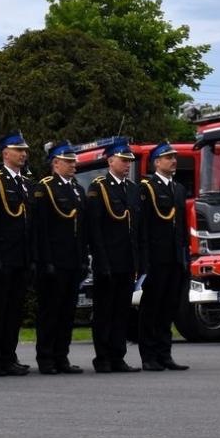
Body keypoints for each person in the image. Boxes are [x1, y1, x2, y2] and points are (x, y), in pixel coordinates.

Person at [0, 132, 35, 376]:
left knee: (13, 311)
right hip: (1, 258)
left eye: (25, 150)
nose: (23, 154)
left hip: (20, 257)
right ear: (5, 153)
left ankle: (8, 356)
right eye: (18, 150)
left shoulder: (25, 183)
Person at [32, 142, 86, 375]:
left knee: (67, 312)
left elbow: (82, 229)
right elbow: (41, 229)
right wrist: (46, 261)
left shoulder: (77, 190)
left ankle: (61, 356)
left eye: (74, 161)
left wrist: (83, 258)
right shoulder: (45, 189)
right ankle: (46, 358)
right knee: (50, 312)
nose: (74, 165)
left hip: (73, 260)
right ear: (55, 163)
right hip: (54, 261)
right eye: (68, 161)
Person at [136, 142, 191, 371]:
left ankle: (164, 353)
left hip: (174, 258)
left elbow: (181, 226)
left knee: (169, 307)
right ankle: (149, 355)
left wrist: (185, 255)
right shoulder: (147, 187)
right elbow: (144, 227)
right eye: (168, 157)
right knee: (152, 307)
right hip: (156, 258)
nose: (173, 160)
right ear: (157, 162)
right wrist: (144, 262)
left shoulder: (178, 189)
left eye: (174, 157)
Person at [86, 140, 140, 372]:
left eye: (129, 161)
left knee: (121, 311)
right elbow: (95, 228)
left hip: (127, 261)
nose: (127, 164)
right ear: (110, 161)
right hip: (108, 260)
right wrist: (102, 260)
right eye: (123, 160)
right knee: (104, 311)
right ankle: (103, 357)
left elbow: (137, 228)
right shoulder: (99, 188)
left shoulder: (133, 189)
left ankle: (118, 356)